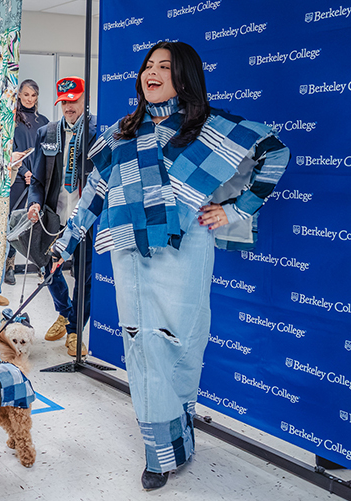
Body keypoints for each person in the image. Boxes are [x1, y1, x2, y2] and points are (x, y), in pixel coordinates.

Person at [48, 42, 289, 490]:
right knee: (141, 347)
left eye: (165, 66)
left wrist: (236, 210)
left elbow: (274, 153)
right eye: (148, 66)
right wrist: (66, 242)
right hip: (128, 250)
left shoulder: (210, 128)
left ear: (185, 76)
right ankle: (159, 453)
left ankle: (180, 440)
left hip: (185, 249)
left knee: (180, 346)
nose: (152, 73)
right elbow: (94, 192)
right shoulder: (122, 130)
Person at [26, 77, 95, 357]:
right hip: (55, 216)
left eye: (74, 101)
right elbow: (38, 180)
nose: (69, 107)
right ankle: (66, 313)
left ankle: (75, 330)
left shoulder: (97, 131)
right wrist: (34, 204)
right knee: (49, 269)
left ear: (84, 101)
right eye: (64, 102)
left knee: (84, 277)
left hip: (87, 218)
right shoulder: (47, 133)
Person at [4, 79, 49, 287]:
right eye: (26, 95)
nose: (30, 99)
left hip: (37, 180)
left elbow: (47, 152)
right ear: (19, 95)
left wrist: (37, 173)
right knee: (14, 222)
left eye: (34, 95)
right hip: (19, 180)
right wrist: (24, 171)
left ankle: (43, 267)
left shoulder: (45, 122)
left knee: (37, 222)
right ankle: (10, 267)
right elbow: (9, 151)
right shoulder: (12, 120)